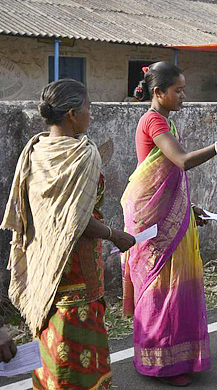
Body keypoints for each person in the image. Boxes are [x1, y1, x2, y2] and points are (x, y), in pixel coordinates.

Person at [122, 62, 217, 386]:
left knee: (177, 289)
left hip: (170, 216)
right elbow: (181, 161)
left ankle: (178, 354)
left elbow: (170, 178)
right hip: (153, 221)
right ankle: (160, 362)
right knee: (160, 290)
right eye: (178, 90)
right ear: (158, 92)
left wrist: (188, 207)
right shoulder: (153, 120)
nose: (184, 96)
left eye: (183, 89)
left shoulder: (166, 121)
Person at [2, 79, 135, 389]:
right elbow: (76, 220)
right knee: (78, 342)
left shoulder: (36, 149)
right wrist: (114, 234)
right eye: (88, 108)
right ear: (73, 114)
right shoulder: (83, 154)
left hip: (44, 262)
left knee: (50, 333)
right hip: (77, 265)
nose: (91, 113)